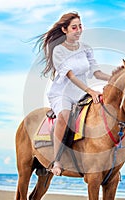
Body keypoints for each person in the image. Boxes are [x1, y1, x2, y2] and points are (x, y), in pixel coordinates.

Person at [36, 12, 111, 176]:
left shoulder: (86, 49)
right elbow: (70, 75)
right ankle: (57, 160)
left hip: (82, 93)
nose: (78, 30)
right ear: (64, 30)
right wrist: (90, 90)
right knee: (63, 116)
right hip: (62, 93)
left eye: (80, 26)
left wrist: (117, 78)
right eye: (74, 27)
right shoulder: (58, 50)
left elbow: (96, 73)